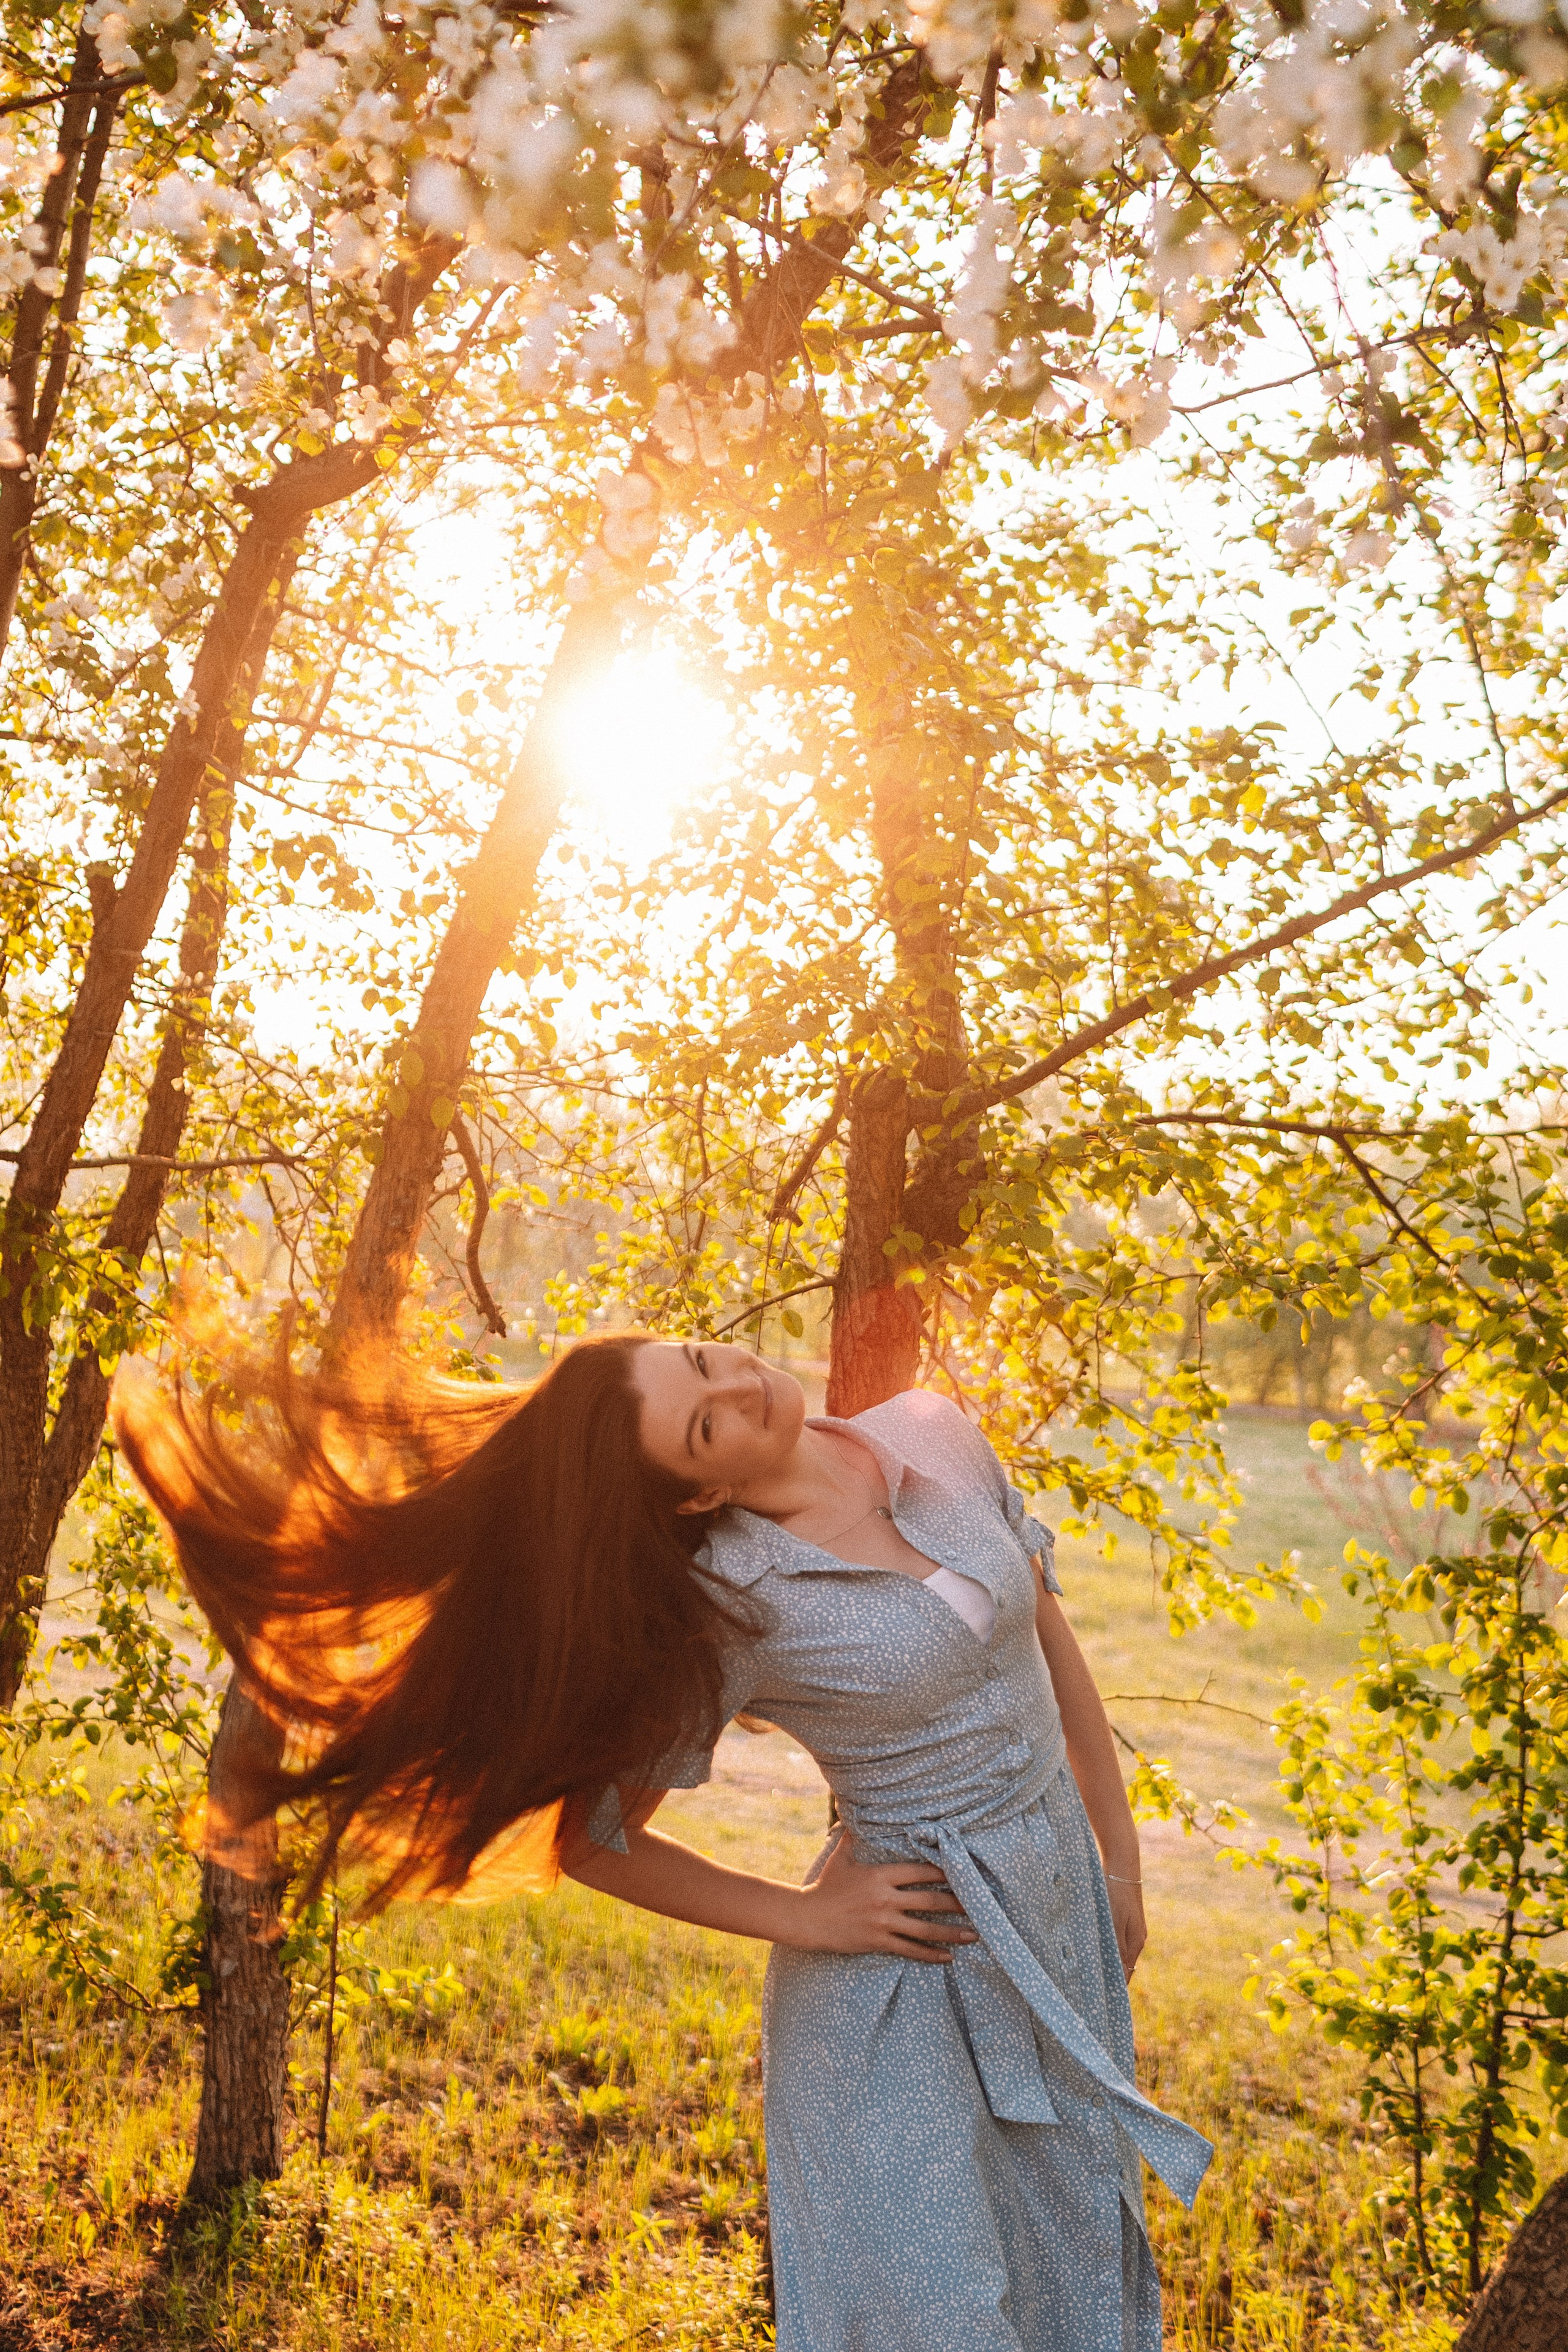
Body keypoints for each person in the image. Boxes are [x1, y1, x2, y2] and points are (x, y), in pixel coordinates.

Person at [116, 1330, 1210, 2352]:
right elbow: (592, 1842)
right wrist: (810, 1914)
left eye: (702, 1359)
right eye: (704, 1426)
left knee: (1071, 2274)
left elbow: (1048, 1640)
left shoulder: (929, 1432)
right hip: (899, 1993)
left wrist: (1119, 1860)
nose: (739, 1387)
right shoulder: (726, 1601)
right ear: (700, 1489)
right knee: (939, 2319)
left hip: (1053, 1930)